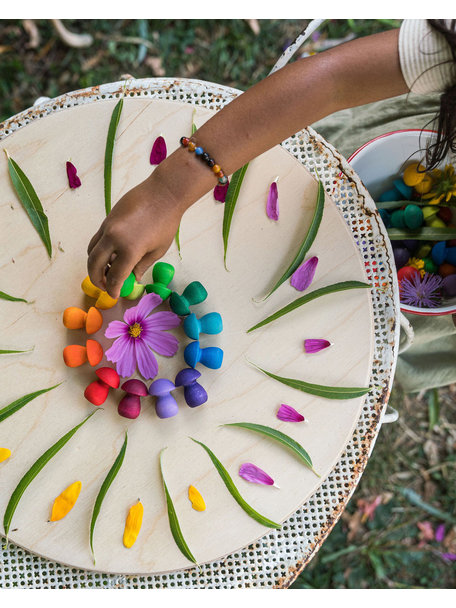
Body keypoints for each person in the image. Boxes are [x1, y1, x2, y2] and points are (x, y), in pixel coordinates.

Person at [87, 19, 456, 392]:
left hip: (429, 311)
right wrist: (167, 192)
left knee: (346, 341)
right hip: (366, 157)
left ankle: (373, 363)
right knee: (280, 206)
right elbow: (334, 82)